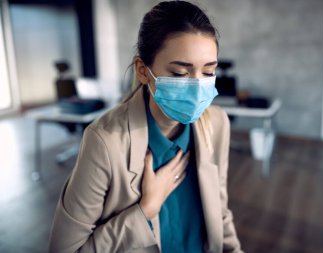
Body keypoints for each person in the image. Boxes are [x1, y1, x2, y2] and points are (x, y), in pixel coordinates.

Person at [48, 1, 243, 252]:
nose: (196, 87)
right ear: (142, 70)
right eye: (180, 74)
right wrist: (144, 211)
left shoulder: (217, 124)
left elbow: (220, 212)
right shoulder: (104, 141)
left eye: (208, 73)